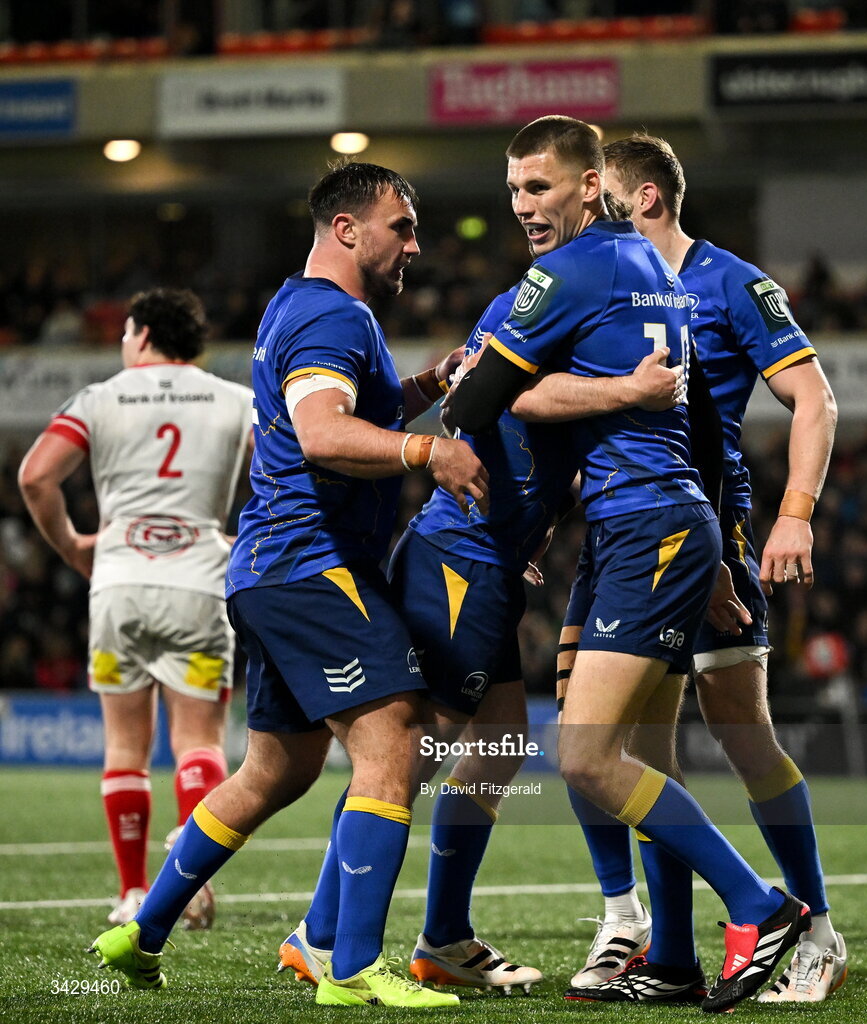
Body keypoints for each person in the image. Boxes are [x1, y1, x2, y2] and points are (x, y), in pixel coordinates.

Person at [86, 161, 488, 1010]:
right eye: (401, 226)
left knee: (276, 768)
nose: (414, 244)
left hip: (270, 571)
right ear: (347, 229)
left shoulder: (303, 308)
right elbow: (319, 433)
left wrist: (424, 388)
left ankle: (141, 931)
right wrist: (429, 449)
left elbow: (344, 412)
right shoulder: (330, 316)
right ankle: (349, 966)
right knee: (394, 736)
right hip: (310, 566)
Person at [449, 115, 811, 1013]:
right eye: (512, 189)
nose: (521, 206)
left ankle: (766, 908)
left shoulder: (570, 271)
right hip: (663, 525)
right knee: (648, 752)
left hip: (642, 526)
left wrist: (494, 383)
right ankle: (674, 954)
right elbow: (688, 422)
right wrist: (716, 559)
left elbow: (472, 402)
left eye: (537, 187)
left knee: (582, 754)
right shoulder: (660, 273)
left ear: (589, 188)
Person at [276, 284, 684, 995]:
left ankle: (442, 937)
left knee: (498, 741)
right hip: (459, 558)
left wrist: (542, 512)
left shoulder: (566, 330)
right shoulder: (532, 313)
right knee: (410, 751)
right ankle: (322, 932)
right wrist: (629, 390)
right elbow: (499, 397)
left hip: (487, 561)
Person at [558, 134, 844, 1005]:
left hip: (705, 534)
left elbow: (815, 399)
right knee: (633, 748)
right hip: (624, 535)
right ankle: (662, 947)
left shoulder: (730, 282)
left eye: (596, 189)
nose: (581, 202)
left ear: (644, 197)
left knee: (741, 732)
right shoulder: (605, 277)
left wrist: (791, 515)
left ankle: (815, 929)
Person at [18, 287, 253, 930]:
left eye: (126, 334)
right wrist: (243, 540)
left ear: (143, 335)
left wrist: (71, 547)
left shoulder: (100, 398)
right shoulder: (236, 400)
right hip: (200, 585)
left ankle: (130, 891)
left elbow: (36, 477)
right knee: (199, 743)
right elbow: (284, 477)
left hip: (118, 582)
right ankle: (193, 884)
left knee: (125, 746)